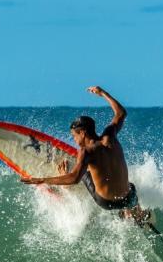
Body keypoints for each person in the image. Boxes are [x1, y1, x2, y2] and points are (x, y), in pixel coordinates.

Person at [20, 86, 151, 225]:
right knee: (131, 186)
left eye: (74, 136)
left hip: (106, 202)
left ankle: (67, 189)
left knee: (83, 172)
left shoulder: (86, 151)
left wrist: (43, 180)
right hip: (128, 198)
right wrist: (103, 93)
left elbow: (74, 178)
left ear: (82, 133)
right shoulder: (110, 135)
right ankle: (136, 212)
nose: (75, 141)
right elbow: (121, 113)